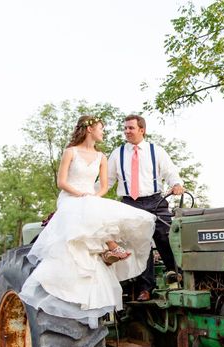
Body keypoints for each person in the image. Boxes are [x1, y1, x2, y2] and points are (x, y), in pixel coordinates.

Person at [19, 116, 156, 328]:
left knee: (105, 212)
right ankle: (111, 247)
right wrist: (81, 194)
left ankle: (109, 248)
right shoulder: (70, 152)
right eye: (101, 128)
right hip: (71, 198)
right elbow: (62, 182)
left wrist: (93, 196)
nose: (103, 132)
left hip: (89, 198)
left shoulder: (102, 156)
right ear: (90, 129)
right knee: (85, 211)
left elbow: (103, 186)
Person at [107, 114, 184, 301]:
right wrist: (88, 195)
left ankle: (178, 276)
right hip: (130, 204)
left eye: (131, 128)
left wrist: (177, 184)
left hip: (155, 201)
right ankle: (145, 288)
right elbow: (108, 180)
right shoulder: (118, 153)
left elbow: (170, 171)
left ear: (142, 130)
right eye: (125, 128)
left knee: (165, 237)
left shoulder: (155, 151)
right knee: (140, 246)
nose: (127, 131)